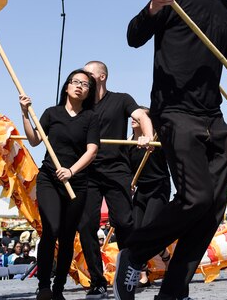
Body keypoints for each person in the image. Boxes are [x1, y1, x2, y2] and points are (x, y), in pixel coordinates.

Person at [115, 0, 227, 300]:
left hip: (212, 114)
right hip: (175, 110)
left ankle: (174, 291)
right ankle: (134, 252)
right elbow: (134, 37)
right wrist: (153, 8)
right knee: (195, 198)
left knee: (212, 209)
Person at [19, 67, 100, 300]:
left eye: (85, 84)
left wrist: (71, 171)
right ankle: (44, 285)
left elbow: (92, 150)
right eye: (76, 82)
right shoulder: (51, 113)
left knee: (67, 236)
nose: (80, 86)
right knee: (51, 229)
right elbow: (34, 140)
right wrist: (24, 113)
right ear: (67, 86)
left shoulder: (90, 117)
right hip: (49, 179)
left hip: (77, 183)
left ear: (89, 92)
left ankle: (58, 288)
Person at [79, 60, 153, 300]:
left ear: (101, 76)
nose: (83, 79)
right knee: (86, 224)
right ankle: (98, 281)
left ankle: (129, 273)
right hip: (87, 172)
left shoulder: (121, 99)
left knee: (124, 222)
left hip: (116, 170)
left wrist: (147, 136)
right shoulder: (81, 105)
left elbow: (141, 114)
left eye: (88, 74)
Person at [128, 107, 171, 288]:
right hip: (141, 189)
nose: (134, 119)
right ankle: (146, 271)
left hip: (159, 187)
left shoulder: (157, 139)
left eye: (140, 118)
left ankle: (148, 268)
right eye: (134, 117)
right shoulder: (127, 141)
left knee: (147, 228)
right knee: (136, 231)